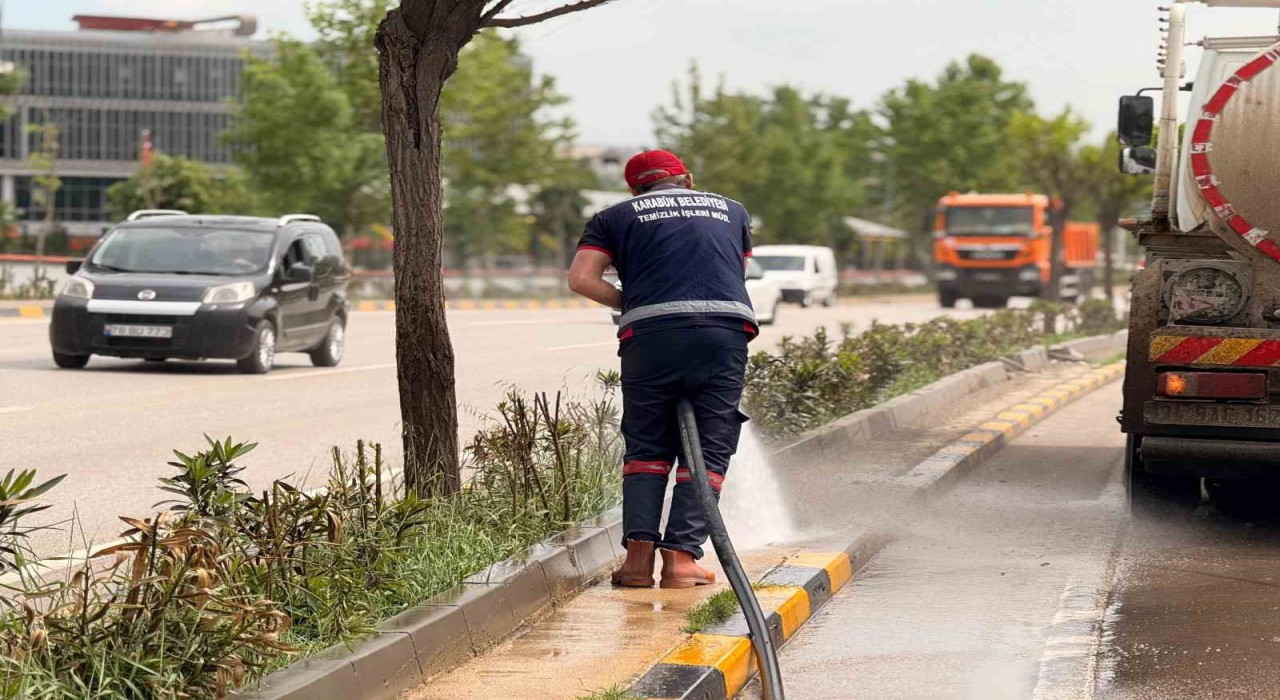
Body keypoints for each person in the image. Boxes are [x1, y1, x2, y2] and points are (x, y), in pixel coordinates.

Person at [567, 150, 756, 589]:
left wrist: (629, 301)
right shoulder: (732, 210)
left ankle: (637, 562)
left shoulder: (613, 217)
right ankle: (682, 560)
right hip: (722, 332)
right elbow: (732, 269)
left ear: (634, 190)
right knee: (708, 450)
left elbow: (581, 278)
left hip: (650, 338)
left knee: (647, 449)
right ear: (687, 178)